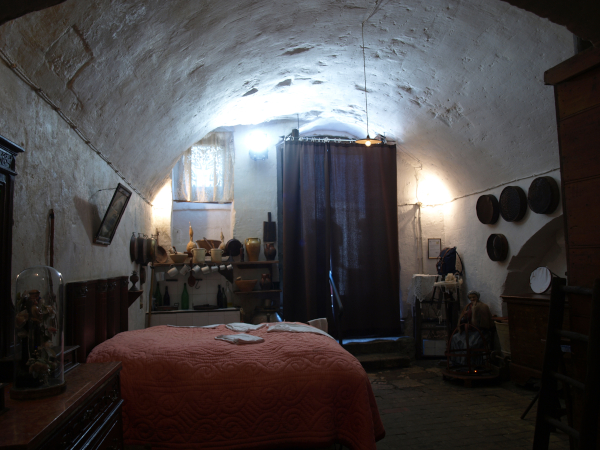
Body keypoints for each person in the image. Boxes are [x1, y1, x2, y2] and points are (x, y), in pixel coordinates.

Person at [450, 290, 494, 368]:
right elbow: (463, 321)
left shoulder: (483, 307)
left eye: (474, 297)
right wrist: (465, 317)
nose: (472, 299)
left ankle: (469, 364)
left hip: (480, 332)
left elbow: (484, 323)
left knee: (468, 344)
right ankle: (457, 362)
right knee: (455, 338)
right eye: (470, 298)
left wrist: (475, 311)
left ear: (477, 297)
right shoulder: (468, 306)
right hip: (469, 331)